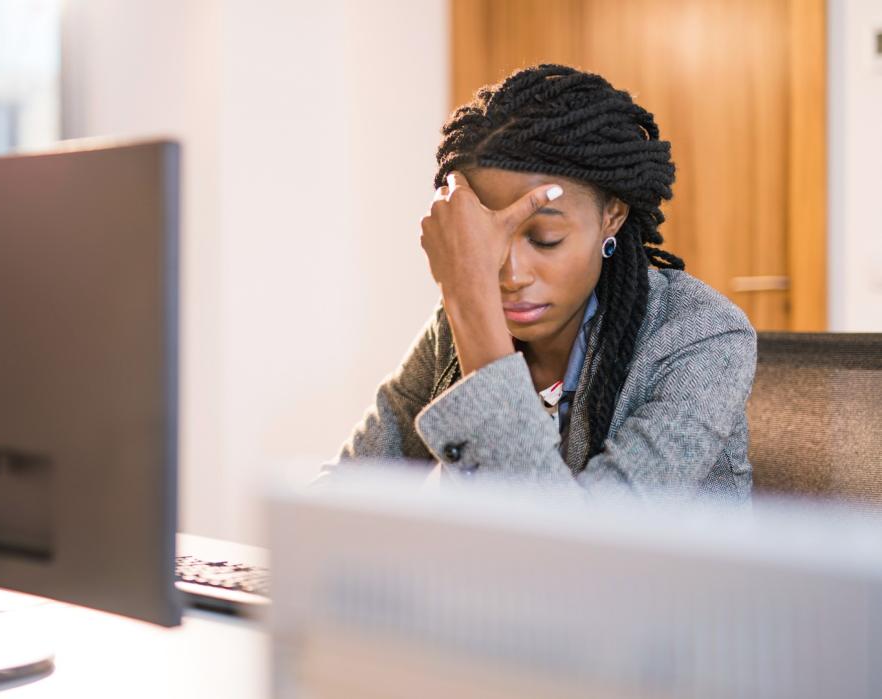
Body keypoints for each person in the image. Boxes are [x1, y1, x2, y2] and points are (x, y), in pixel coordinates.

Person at [317, 64, 756, 503]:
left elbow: (575, 554)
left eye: (545, 239)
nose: (510, 276)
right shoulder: (456, 325)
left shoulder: (701, 336)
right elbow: (346, 492)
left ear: (612, 216)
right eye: (485, 242)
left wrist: (476, 321)